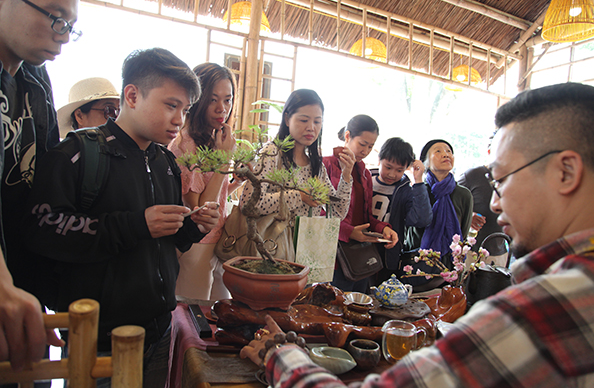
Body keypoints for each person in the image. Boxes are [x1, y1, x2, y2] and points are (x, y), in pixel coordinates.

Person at [240, 82, 594, 388]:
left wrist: (278, 355)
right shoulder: (277, 155)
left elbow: (333, 211)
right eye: (304, 119)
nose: (493, 202)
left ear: (566, 172)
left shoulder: (551, 304)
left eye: (501, 179)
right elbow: (250, 203)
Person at [22, 48, 220, 388]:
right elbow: (44, 229)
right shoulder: (79, 153)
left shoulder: (165, 163)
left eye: (184, 110)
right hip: (97, 337)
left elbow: (165, 242)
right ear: (132, 95)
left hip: (159, 331)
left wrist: (191, 227)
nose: (179, 120)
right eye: (171, 105)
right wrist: (135, 224)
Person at [0, 0, 79, 373]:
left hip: (24, 284)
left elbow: (45, 173)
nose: (62, 34)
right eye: (54, 16)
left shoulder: (35, 77)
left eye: (70, 26)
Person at [168, 63, 241, 301]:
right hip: (197, 243)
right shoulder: (186, 144)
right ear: (197, 100)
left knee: (220, 310)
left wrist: (236, 183)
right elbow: (199, 209)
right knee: (194, 317)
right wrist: (224, 160)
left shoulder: (211, 138)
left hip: (217, 241)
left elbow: (215, 194)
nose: (223, 108)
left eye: (228, 99)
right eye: (213, 100)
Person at [239, 88, 354, 235]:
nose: (311, 127)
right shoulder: (272, 153)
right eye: (304, 120)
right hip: (271, 248)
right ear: (287, 119)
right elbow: (249, 204)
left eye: (317, 121)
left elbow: (337, 212)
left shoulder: (316, 166)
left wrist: (346, 175)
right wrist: (299, 196)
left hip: (301, 250)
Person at [324, 115, 399, 293]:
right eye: (362, 144)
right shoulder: (326, 165)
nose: (366, 151)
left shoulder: (364, 173)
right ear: (348, 136)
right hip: (333, 256)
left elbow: (365, 216)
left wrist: (383, 228)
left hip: (358, 255)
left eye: (371, 146)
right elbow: (318, 215)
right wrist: (350, 232)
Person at [405, 138, 473, 291]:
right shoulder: (418, 189)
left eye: (449, 151)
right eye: (438, 151)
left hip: (447, 270)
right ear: (426, 163)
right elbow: (410, 233)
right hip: (416, 267)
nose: (446, 154)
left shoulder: (463, 194)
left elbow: (463, 235)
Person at [370, 137, 432, 285]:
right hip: (359, 249)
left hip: (387, 254)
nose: (392, 174)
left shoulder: (406, 191)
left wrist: (418, 181)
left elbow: (421, 219)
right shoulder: (366, 179)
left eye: (399, 170)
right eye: (388, 167)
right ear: (379, 159)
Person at [458, 165, 507, 258]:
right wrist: (468, 215)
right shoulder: (472, 175)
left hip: (500, 253)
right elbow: (450, 203)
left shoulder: (513, 176)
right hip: (470, 252)